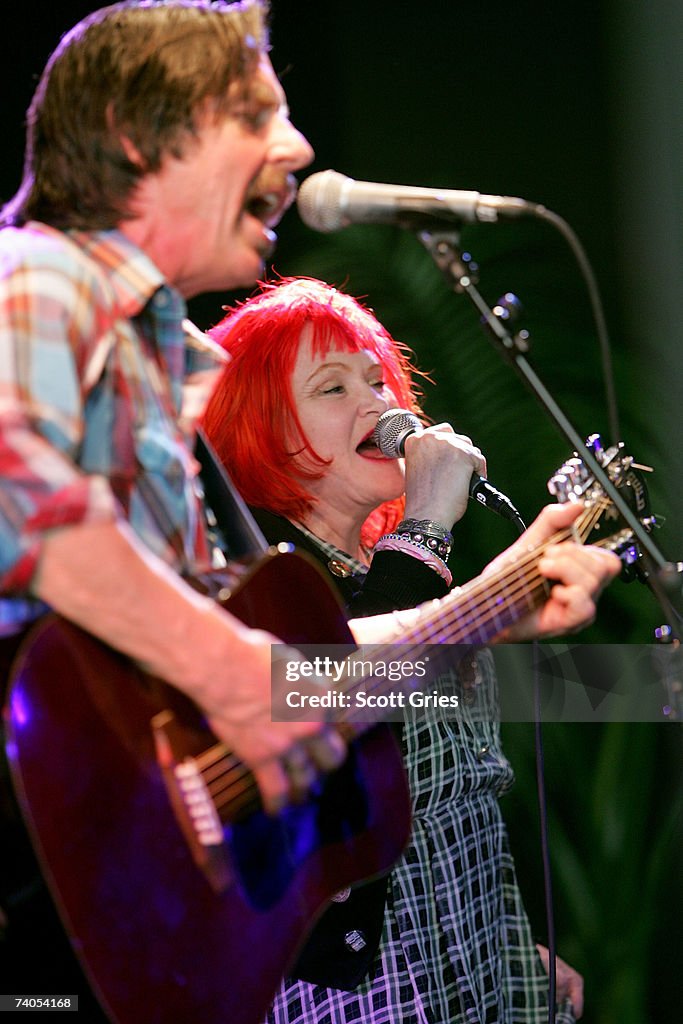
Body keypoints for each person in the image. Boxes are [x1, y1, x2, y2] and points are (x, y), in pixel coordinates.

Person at [0, 0, 618, 1017]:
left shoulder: (159, 370)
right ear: (130, 136)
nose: (296, 145)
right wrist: (240, 676)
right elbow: (44, 522)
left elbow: (286, 684)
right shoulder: (42, 277)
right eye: (254, 114)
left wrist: (493, 600)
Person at [201, 276, 612, 1023]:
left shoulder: (377, 575)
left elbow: (455, 798)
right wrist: (423, 525)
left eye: (376, 377)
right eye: (332, 388)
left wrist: (506, 942)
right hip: (366, 989)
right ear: (257, 424)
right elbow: (347, 706)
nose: (377, 401)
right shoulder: (257, 584)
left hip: (467, 954)